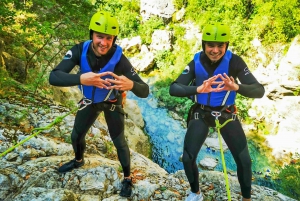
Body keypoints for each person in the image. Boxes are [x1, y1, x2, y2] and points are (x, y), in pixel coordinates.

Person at [49, 11, 149, 198]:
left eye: (108, 38)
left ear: (114, 39)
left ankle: (127, 178)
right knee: (76, 136)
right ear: (92, 35)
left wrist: (131, 85)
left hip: (112, 103)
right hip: (90, 102)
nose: (103, 42)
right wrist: (81, 78)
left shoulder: (119, 60)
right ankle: (79, 160)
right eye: (99, 36)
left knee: (119, 143)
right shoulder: (79, 51)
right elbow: (54, 76)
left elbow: (145, 90)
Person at [169, 22, 265, 201]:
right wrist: (198, 89)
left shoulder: (234, 62)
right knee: (188, 157)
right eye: (210, 45)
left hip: (226, 113)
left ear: (226, 45)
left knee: (244, 161)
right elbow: (174, 88)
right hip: (202, 113)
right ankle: (195, 193)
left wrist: (236, 86)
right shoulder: (196, 61)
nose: (215, 50)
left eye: (220, 45)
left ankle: (246, 198)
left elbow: (259, 90)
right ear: (204, 44)